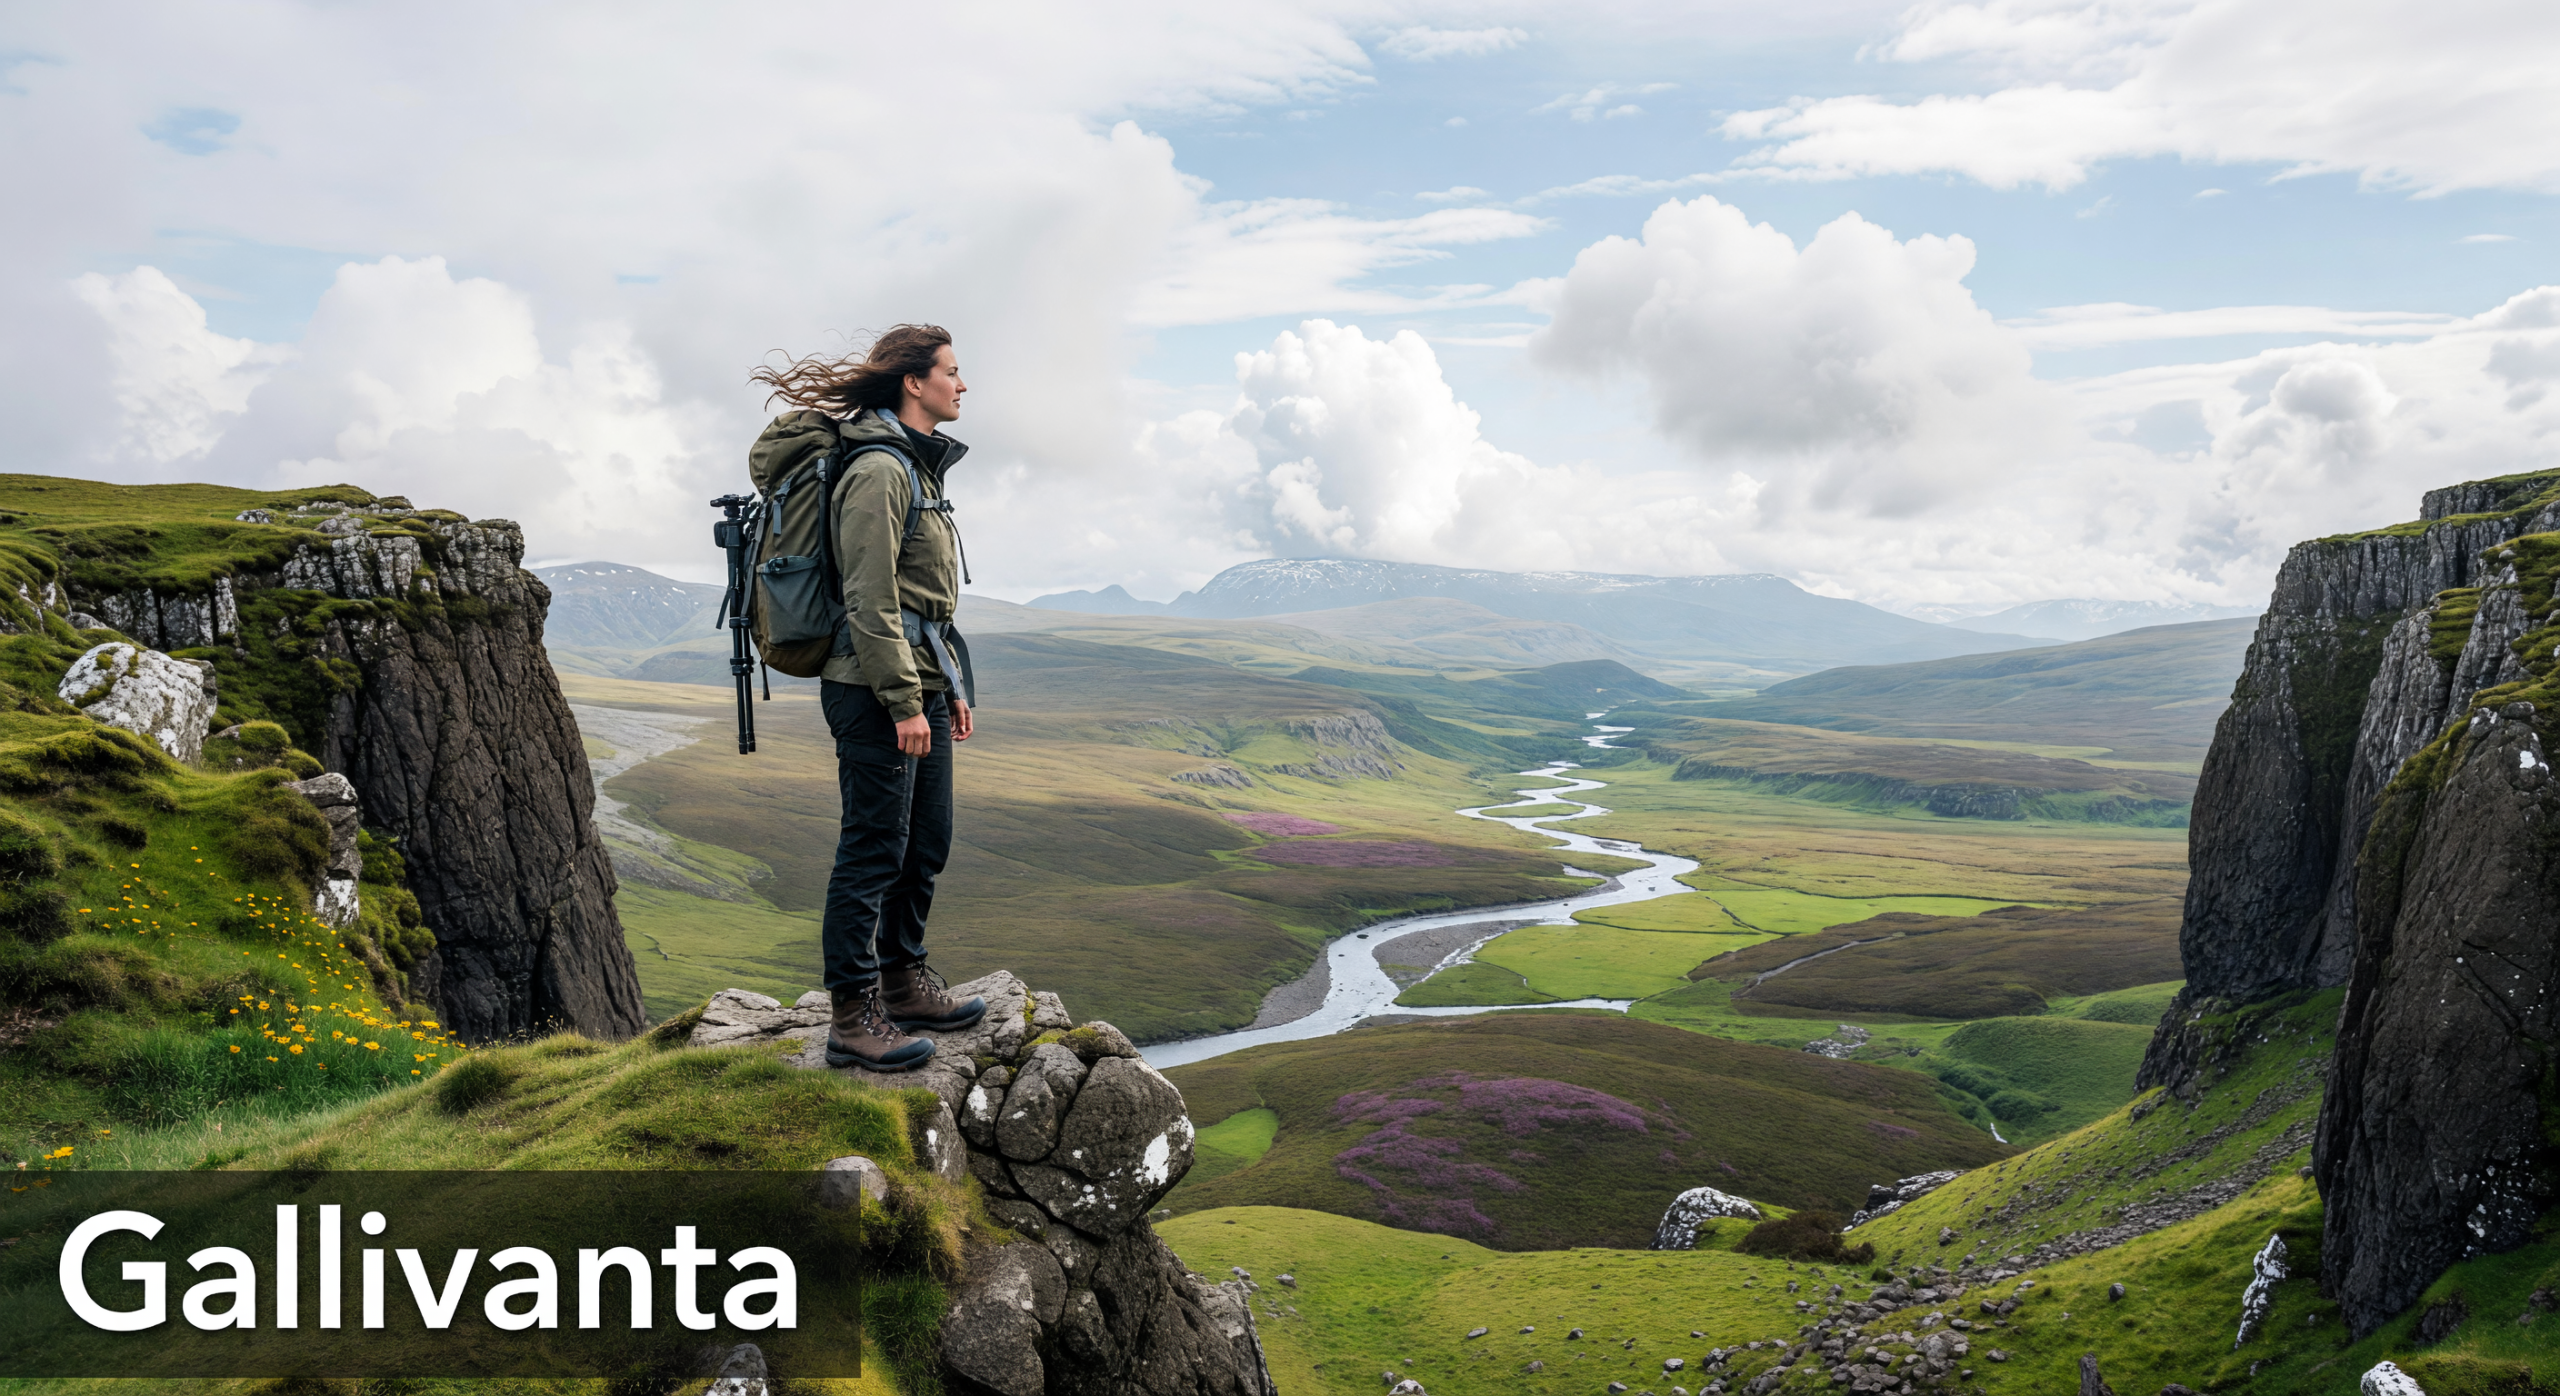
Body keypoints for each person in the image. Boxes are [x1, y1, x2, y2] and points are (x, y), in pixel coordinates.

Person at [748, 325, 988, 1071]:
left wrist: (946, 689)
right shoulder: (881, 471)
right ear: (914, 382)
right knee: (873, 851)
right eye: (952, 371)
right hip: (872, 688)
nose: (963, 384)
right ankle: (853, 1016)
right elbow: (870, 596)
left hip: (918, 680)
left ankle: (904, 981)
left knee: (925, 842)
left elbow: (924, 604)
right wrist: (901, 700)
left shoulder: (916, 467)